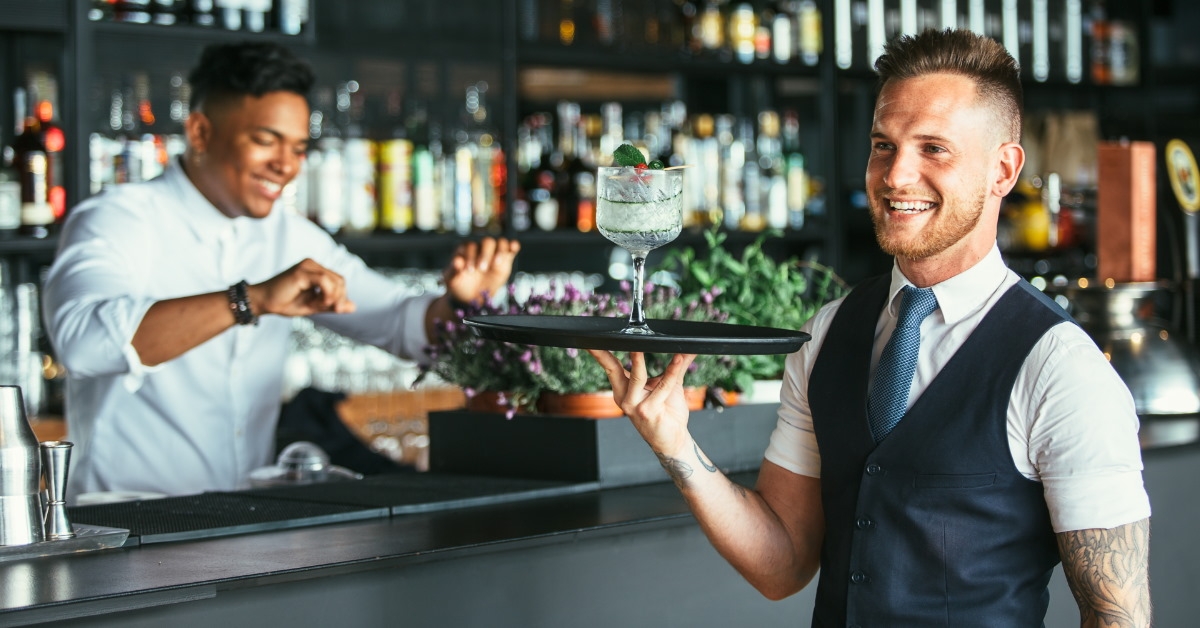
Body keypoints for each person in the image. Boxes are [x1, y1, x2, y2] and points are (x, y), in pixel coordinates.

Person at [589, 29, 1152, 626]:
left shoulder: (1060, 368)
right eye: (884, 145)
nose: (895, 175)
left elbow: (1118, 616)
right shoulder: (829, 333)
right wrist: (674, 443)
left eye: (933, 148)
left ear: (1003, 170)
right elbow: (782, 565)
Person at [43, 42, 519, 499]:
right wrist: (250, 301)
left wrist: (459, 301)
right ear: (201, 132)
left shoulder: (287, 234)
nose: (286, 166)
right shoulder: (119, 219)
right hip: (128, 520)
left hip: (242, 517)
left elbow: (398, 322)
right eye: (266, 141)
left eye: (297, 148)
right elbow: (84, 342)